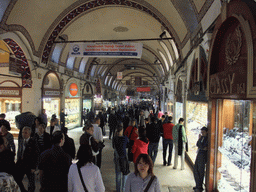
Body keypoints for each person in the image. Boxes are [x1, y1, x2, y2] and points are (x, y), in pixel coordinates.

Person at [15, 126, 39, 192]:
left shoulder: (33, 142)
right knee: (17, 179)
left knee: (31, 183)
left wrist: (34, 167)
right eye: (22, 132)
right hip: (21, 164)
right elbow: (19, 152)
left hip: (29, 165)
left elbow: (36, 155)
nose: (23, 134)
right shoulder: (21, 141)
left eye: (25, 133)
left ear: (29, 133)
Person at [113, 125, 130, 192]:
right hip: (123, 158)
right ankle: (123, 189)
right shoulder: (125, 138)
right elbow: (128, 145)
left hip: (117, 158)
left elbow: (113, 146)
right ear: (122, 130)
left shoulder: (114, 138)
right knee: (124, 174)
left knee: (118, 174)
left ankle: (118, 190)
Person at [193, 127, 208, 192]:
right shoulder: (202, 137)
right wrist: (200, 141)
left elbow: (204, 147)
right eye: (201, 132)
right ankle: (197, 185)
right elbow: (198, 144)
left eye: (203, 132)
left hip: (203, 156)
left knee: (200, 171)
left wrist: (201, 146)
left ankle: (199, 187)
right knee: (195, 170)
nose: (202, 133)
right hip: (199, 154)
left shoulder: (207, 138)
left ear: (206, 132)